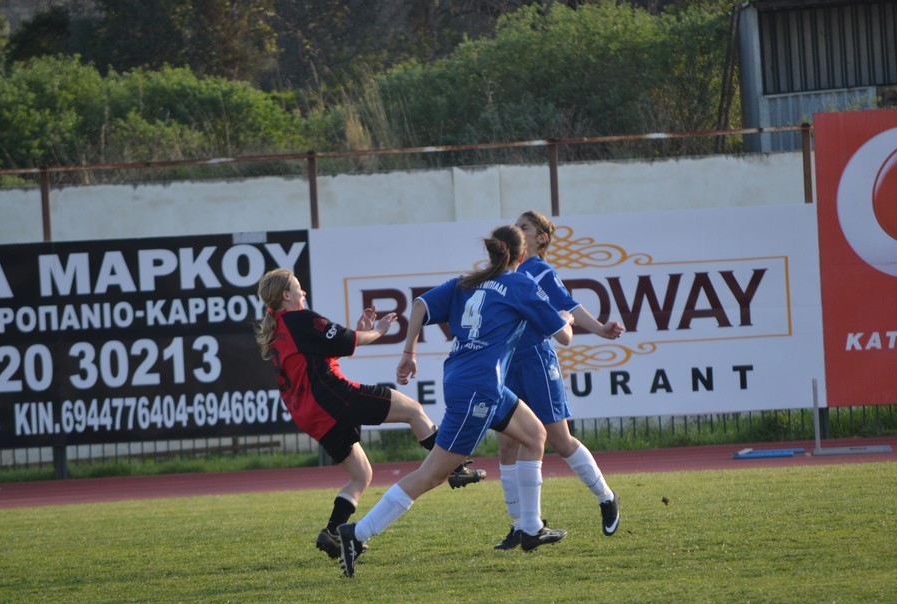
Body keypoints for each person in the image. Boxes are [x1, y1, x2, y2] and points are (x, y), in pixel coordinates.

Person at [337, 224, 575, 578]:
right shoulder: (520, 284)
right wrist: (566, 317)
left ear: (492, 252)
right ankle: (356, 534)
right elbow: (564, 336)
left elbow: (420, 304)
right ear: (522, 255)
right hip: (479, 388)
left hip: (476, 382)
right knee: (433, 474)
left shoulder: (468, 282)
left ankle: (530, 528)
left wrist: (408, 353)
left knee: (535, 434)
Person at [255, 268, 484, 561]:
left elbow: (328, 350)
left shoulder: (279, 328)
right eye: (298, 287)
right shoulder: (299, 319)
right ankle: (454, 467)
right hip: (332, 397)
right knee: (413, 411)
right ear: (286, 295)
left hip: (309, 413)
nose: (304, 292)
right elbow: (347, 340)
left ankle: (333, 532)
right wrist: (378, 331)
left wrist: (358, 330)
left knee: (361, 475)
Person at [494, 211, 625, 550]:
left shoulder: (540, 270)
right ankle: (519, 526)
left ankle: (606, 497)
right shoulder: (504, 271)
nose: (517, 230)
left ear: (542, 239)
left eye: (524, 227)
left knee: (559, 439)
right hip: (507, 363)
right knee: (506, 443)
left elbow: (569, 306)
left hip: (536, 361)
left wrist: (600, 329)